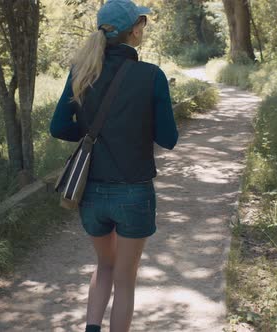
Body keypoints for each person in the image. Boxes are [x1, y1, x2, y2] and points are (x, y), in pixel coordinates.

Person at [49, 1, 178, 331]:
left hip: (89, 192)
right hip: (134, 192)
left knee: (104, 266)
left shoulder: (82, 71)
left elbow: (59, 126)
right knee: (125, 279)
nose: (143, 28)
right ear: (134, 30)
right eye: (142, 23)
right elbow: (169, 138)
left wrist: (95, 132)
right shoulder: (152, 75)